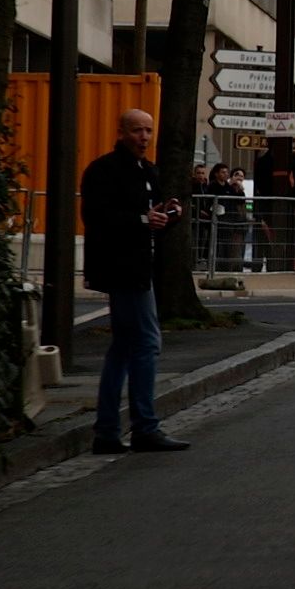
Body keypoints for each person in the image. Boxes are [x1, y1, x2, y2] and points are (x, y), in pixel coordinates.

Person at [82, 109, 188, 455]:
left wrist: (168, 215)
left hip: (141, 266)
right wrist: (145, 218)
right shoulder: (103, 170)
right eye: (137, 131)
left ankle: (108, 430)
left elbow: (151, 218)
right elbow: (97, 217)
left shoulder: (148, 170)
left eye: (148, 131)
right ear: (122, 132)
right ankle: (144, 426)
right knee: (146, 343)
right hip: (121, 268)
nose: (144, 137)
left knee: (124, 348)